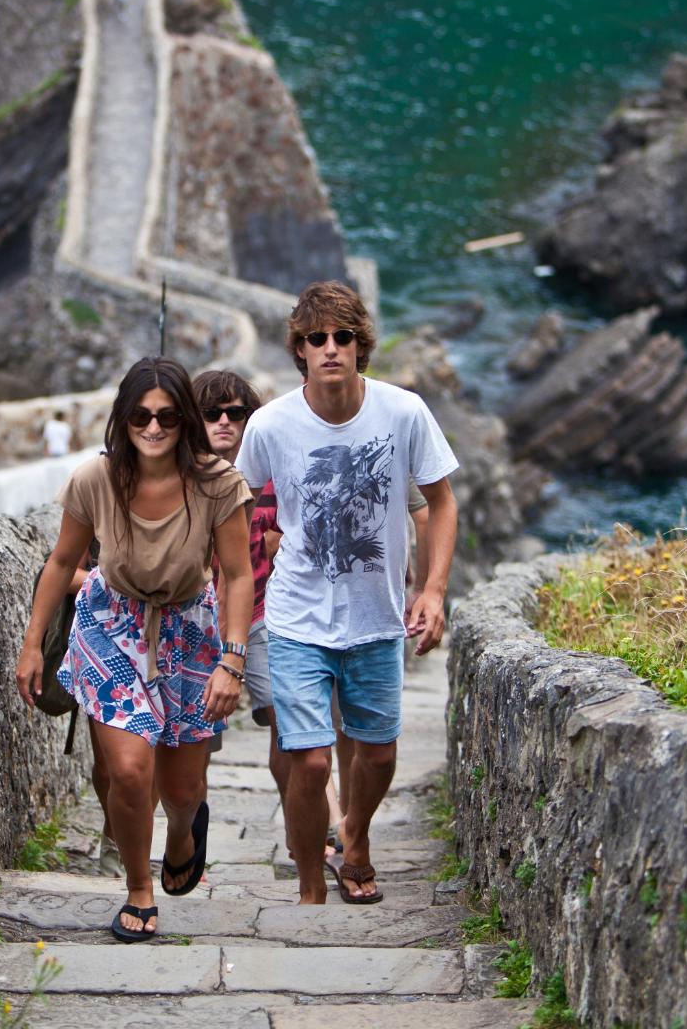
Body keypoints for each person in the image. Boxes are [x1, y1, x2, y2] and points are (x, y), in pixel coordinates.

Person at [235, 280, 458, 905]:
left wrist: (435, 591)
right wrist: (243, 577)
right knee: (309, 761)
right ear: (300, 349)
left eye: (343, 337)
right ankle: (310, 887)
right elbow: (236, 506)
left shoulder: (404, 413)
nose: (329, 348)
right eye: (315, 339)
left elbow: (440, 503)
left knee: (379, 754)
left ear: (361, 346)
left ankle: (354, 834)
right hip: (295, 618)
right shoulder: (271, 424)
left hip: (377, 616)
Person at [16, 358, 253, 943]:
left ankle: (181, 835)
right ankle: (138, 891)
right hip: (110, 622)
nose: (153, 427)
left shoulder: (217, 483)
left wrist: (233, 658)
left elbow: (239, 574)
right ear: (123, 420)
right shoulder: (94, 480)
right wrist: (31, 645)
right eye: (141, 416)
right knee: (125, 769)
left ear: (185, 421)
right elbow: (62, 563)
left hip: (191, 632)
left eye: (168, 416)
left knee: (181, 791)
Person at [197, 370, 428, 864]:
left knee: (300, 729)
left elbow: (417, 503)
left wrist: (421, 581)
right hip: (199, 620)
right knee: (194, 745)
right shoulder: (185, 479)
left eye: (235, 413)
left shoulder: (280, 460)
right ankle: (186, 838)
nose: (224, 423)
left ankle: (327, 828)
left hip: (274, 613)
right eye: (211, 414)